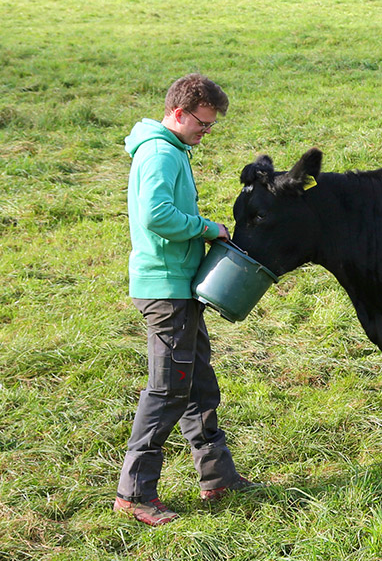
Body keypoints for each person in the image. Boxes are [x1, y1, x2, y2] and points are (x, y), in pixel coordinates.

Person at [114, 74, 255, 526]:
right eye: (203, 124)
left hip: (179, 285)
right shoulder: (159, 153)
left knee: (198, 384)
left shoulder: (171, 149)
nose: (206, 133)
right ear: (179, 113)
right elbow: (156, 215)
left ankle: (218, 478)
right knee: (168, 389)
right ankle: (134, 494)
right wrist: (207, 228)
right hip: (165, 289)